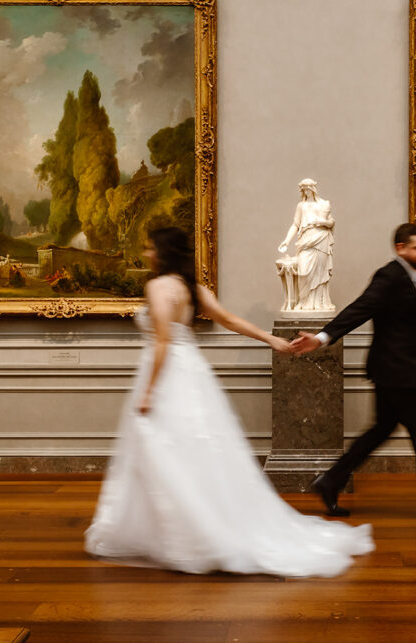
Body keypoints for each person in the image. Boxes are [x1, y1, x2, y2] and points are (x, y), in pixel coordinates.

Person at [86, 226, 373, 577]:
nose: (146, 254)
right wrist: (272, 340)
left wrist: (148, 392)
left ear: (161, 252)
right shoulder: (192, 289)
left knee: (165, 453)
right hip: (190, 373)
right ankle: (181, 528)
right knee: (191, 454)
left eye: (148, 248)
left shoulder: (159, 287)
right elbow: (230, 320)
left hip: (169, 375)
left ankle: (184, 533)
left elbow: (162, 342)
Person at [291, 223, 416, 522]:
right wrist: (322, 337)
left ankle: (330, 481)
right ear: (400, 248)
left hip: (400, 372)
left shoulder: (412, 278)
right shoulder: (390, 276)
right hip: (402, 375)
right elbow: (360, 308)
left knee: (380, 431)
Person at [277, 178, 335, 313]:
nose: (307, 191)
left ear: (313, 189)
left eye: (309, 188)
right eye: (304, 189)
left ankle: (317, 304)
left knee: (320, 274)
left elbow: (331, 222)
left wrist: (322, 222)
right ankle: (303, 302)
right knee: (303, 272)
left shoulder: (323, 204)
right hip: (306, 240)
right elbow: (296, 224)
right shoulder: (301, 206)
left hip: (321, 239)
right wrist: (287, 240)